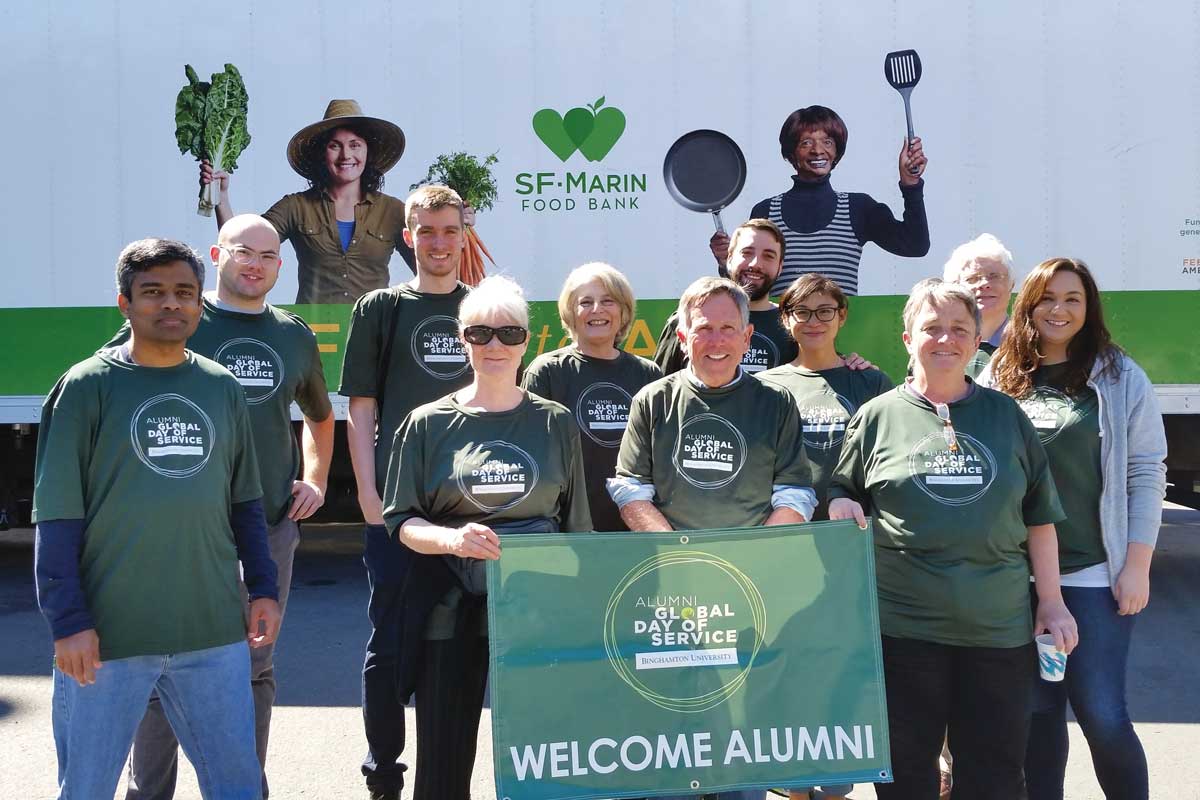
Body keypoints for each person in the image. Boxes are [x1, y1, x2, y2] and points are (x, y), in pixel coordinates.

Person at [32, 238, 281, 799]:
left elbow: (245, 502)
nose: (171, 304)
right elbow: (56, 516)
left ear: (200, 303)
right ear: (125, 303)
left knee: (238, 785)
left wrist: (263, 587)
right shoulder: (86, 387)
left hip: (213, 635)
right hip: (107, 640)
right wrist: (67, 622)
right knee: (87, 788)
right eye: (153, 293)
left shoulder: (220, 387)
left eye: (184, 293)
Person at [827, 278, 1078, 800]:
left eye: (960, 329)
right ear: (907, 339)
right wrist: (838, 502)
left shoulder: (1005, 415)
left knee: (994, 775)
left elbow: (1040, 517)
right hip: (902, 633)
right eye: (932, 327)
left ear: (976, 338)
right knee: (906, 777)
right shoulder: (877, 417)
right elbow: (842, 485)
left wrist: (1051, 602)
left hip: (997, 632)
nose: (947, 339)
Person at [112, 217, 335, 800]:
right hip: (180, 530)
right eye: (243, 252)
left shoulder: (293, 335)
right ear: (218, 254)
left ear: (279, 267)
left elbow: (320, 415)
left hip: (267, 525)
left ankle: (243, 788)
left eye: (268, 255)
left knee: (255, 666)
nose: (255, 264)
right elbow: (111, 388)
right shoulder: (180, 317)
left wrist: (313, 477)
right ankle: (149, 793)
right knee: (160, 668)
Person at [382, 275, 591, 800]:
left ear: (527, 340)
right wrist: (451, 540)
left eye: (508, 333)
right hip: (448, 605)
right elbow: (400, 520)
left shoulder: (555, 423)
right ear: (461, 338)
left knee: (541, 750)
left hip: (537, 608)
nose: (495, 345)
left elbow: (577, 526)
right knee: (444, 755)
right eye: (480, 334)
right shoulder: (426, 424)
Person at [609, 277, 814, 800]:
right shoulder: (653, 401)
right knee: (673, 739)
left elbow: (795, 496)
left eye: (728, 329)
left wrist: (741, 566)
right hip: (669, 598)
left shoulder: (776, 402)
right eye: (704, 328)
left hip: (752, 594)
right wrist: (686, 559)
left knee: (740, 744)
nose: (716, 340)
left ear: (748, 338)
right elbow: (631, 492)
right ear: (682, 335)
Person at [982, 258, 1167, 800]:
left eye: (1072, 299)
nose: (1058, 310)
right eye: (1046, 298)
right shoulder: (1000, 374)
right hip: (1016, 576)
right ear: (1028, 304)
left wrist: (1136, 565)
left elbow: (1145, 468)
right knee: (1038, 717)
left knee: (1102, 714)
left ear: (1089, 308)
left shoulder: (1117, 374)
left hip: (1093, 574)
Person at [338, 184, 474, 800]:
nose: (439, 243)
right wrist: (368, 492)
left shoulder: (484, 309)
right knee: (390, 642)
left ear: (463, 234)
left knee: (458, 648)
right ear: (408, 236)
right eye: (427, 231)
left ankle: (443, 775)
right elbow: (360, 408)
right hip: (396, 507)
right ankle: (384, 772)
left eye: (450, 230)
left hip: (468, 507)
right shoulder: (380, 308)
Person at [202, 99, 416, 304]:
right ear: (322, 153)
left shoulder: (393, 211)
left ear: (368, 151)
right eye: (335, 146)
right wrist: (221, 198)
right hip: (314, 330)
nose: (346, 155)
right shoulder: (296, 207)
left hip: (375, 332)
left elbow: (427, 270)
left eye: (355, 145)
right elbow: (243, 244)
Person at [708, 105, 929, 295]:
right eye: (806, 143)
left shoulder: (858, 208)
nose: (818, 151)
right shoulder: (766, 212)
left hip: (840, 337)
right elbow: (751, 288)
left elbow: (915, 245)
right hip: (783, 337)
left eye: (827, 142)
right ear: (791, 152)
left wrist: (910, 185)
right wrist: (725, 263)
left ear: (837, 151)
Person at [522, 263, 662, 532]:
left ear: (623, 312)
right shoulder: (547, 372)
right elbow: (533, 457)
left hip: (635, 529)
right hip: (567, 531)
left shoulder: (648, 374)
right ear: (570, 313)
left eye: (608, 301)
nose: (597, 309)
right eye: (585, 302)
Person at [658, 219, 798, 375]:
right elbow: (661, 389)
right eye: (747, 253)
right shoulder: (686, 319)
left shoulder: (794, 326)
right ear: (729, 258)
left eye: (768, 256)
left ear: (780, 267)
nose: (756, 263)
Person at [943, 233, 1016, 378]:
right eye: (973, 278)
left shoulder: (1028, 344)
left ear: (1011, 285)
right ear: (955, 287)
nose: (984, 284)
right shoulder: (940, 345)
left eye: (994, 276)